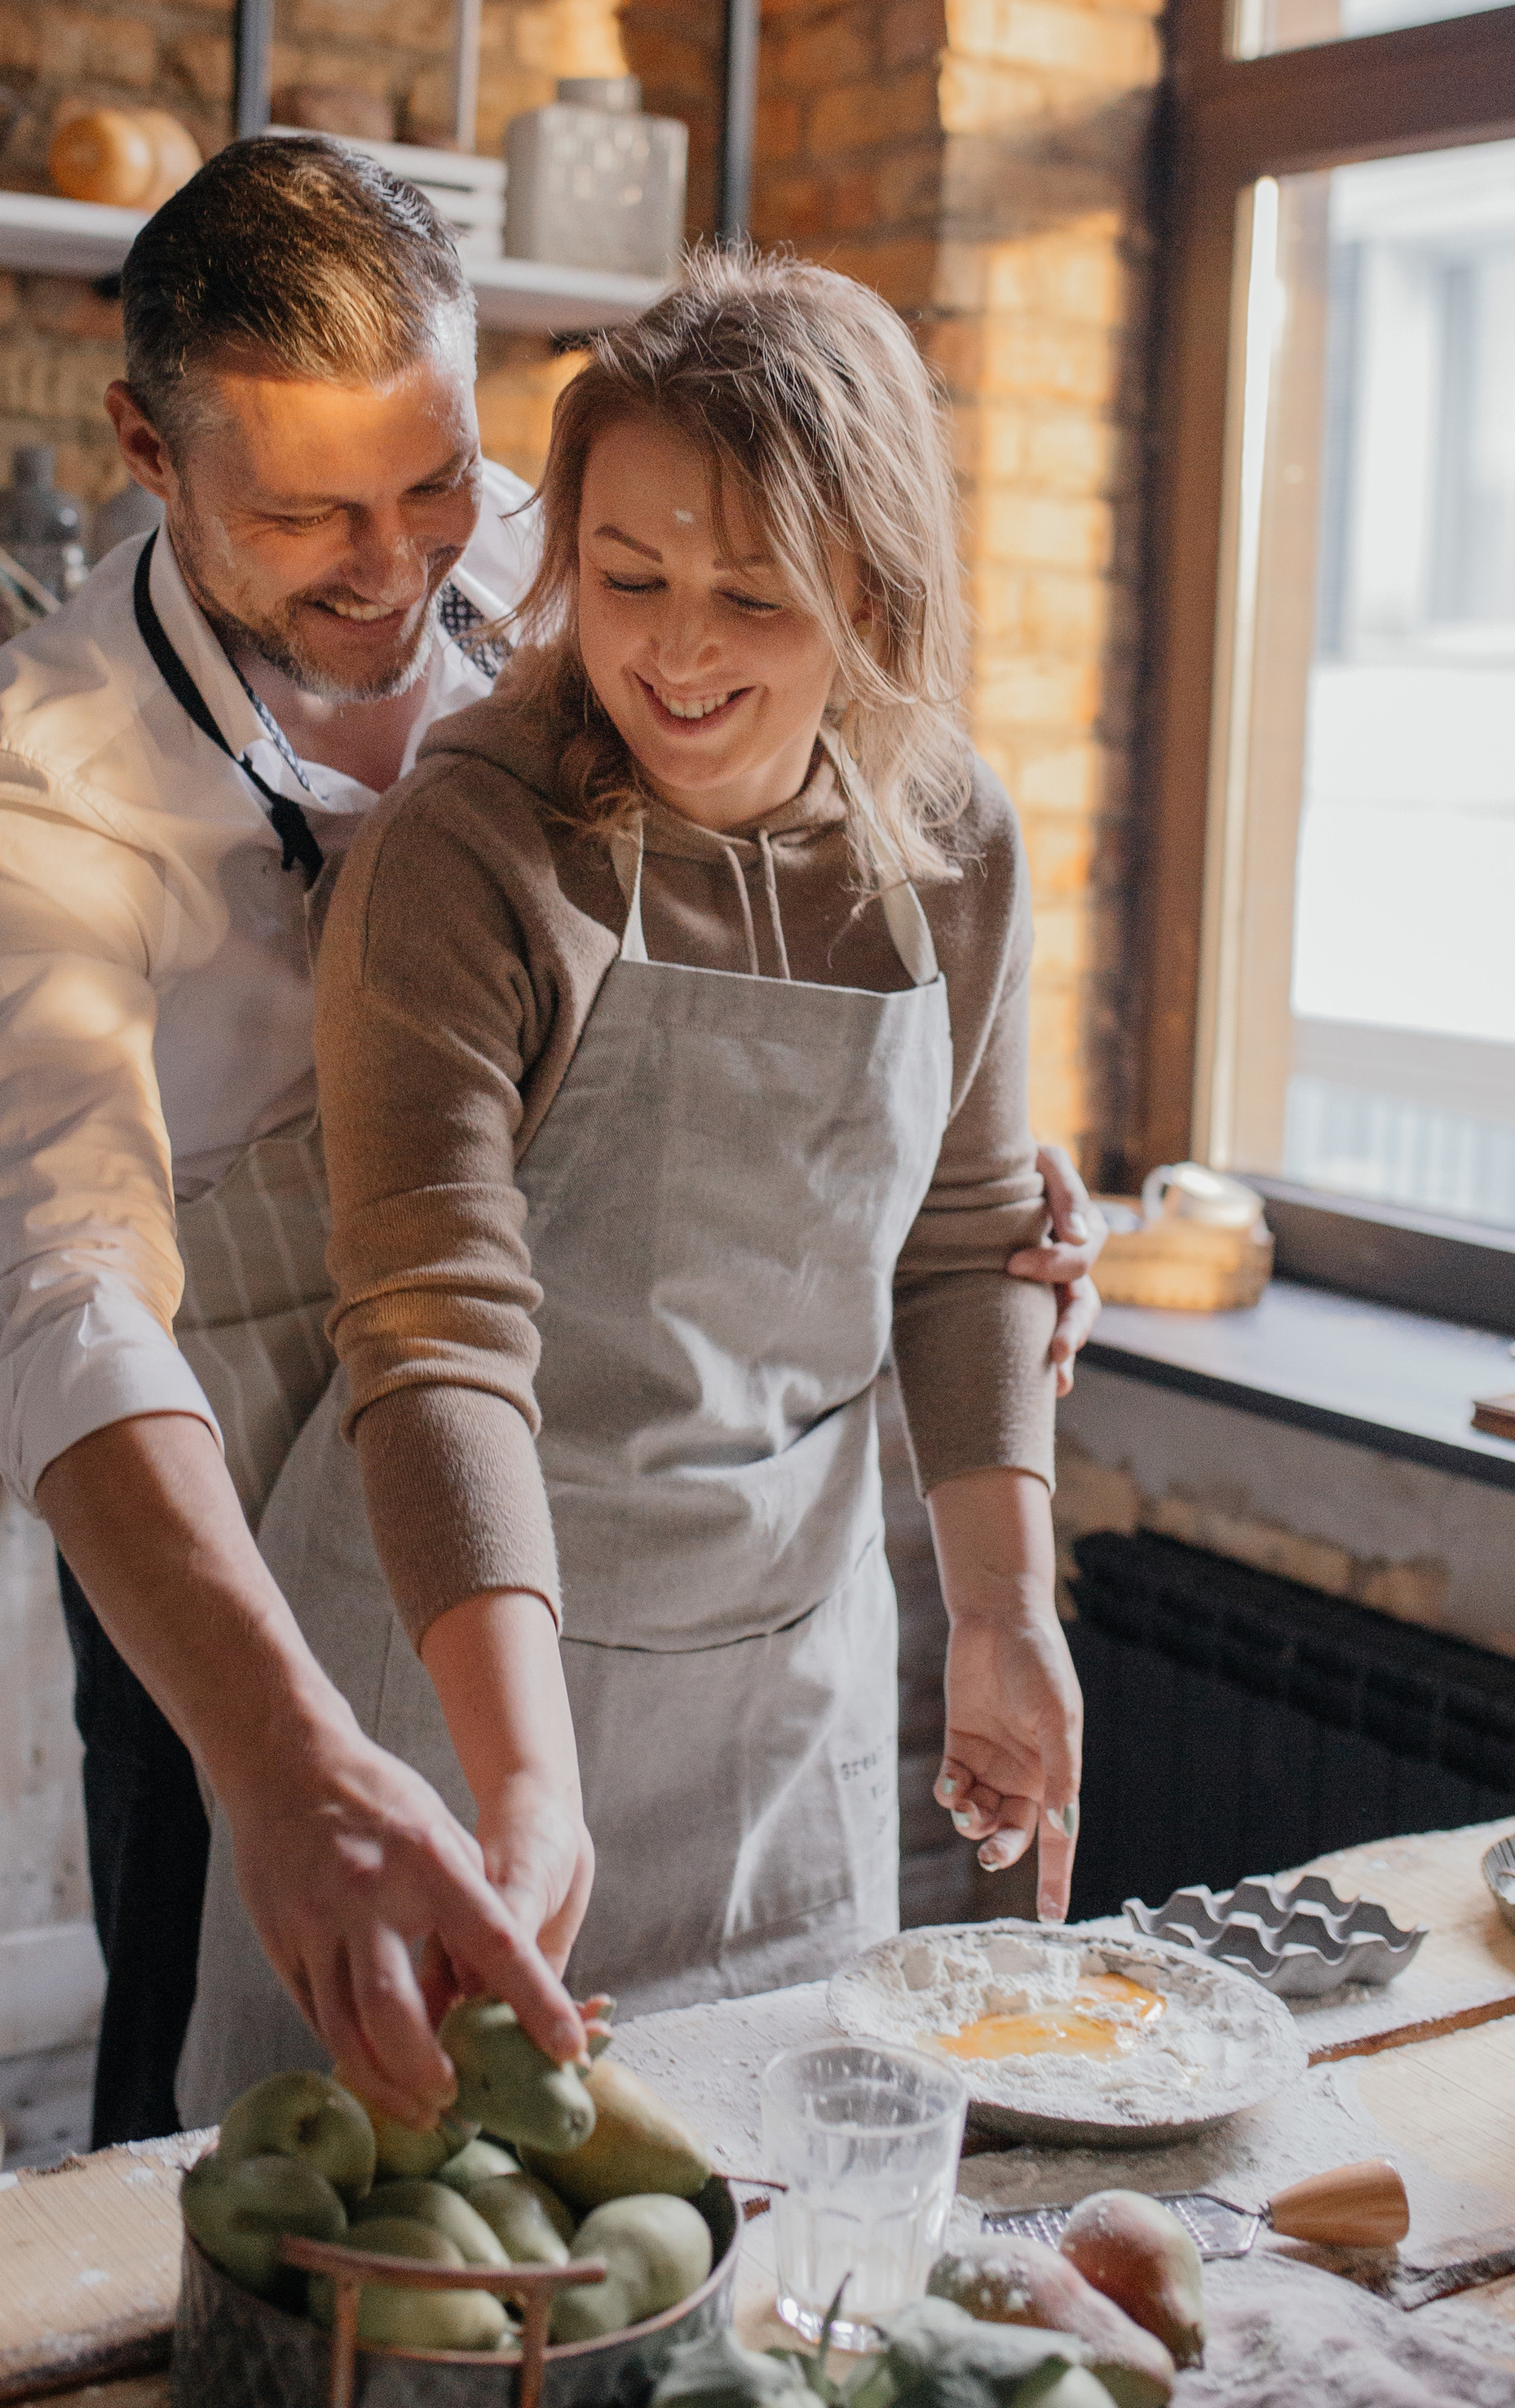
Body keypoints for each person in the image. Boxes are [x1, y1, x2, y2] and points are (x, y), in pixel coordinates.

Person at [179, 250, 1093, 2106]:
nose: (675, 654)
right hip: (450, 1687)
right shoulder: (473, 841)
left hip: (779, 1709)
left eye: (751, 596)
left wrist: (1003, 1615)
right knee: (380, 2268)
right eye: (626, 579)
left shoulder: (948, 840)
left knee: (755, 2267)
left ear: (870, 590)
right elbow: (434, 1333)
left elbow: (971, 1238)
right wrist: (517, 1788)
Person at [0, 137, 587, 2142]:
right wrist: (279, 1753)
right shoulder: (35, 787)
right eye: (301, 514)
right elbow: (67, 1296)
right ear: (142, 443)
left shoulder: (557, 567)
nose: (393, 567)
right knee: (217, 2049)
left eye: (432, 483)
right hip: (225, 1500)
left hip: (538, 1410)